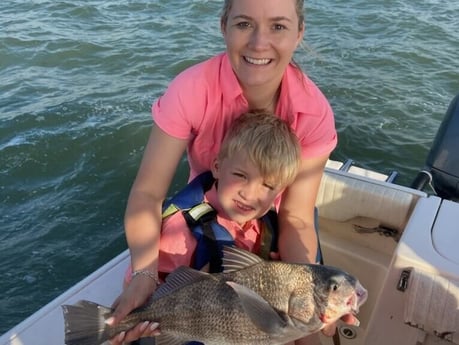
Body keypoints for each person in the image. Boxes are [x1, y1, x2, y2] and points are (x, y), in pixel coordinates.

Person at [108, 1, 358, 344]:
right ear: (224, 25)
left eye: (278, 27)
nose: (259, 43)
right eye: (244, 24)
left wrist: (303, 301)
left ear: (299, 32)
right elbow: (148, 193)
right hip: (210, 218)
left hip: (272, 231)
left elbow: (297, 218)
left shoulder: (313, 112)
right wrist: (144, 274)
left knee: (306, 334)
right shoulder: (191, 90)